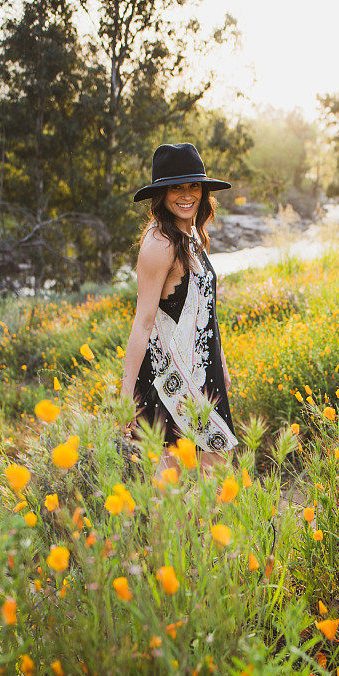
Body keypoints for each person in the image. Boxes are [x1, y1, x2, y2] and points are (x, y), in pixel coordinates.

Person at [120, 143, 238, 481]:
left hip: (202, 371)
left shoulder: (193, 235)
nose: (187, 195)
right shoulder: (160, 245)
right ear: (161, 194)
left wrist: (222, 363)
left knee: (213, 481)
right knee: (170, 492)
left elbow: (206, 309)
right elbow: (142, 323)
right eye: (176, 187)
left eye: (193, 186)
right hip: (167, 378)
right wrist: (126, 396)